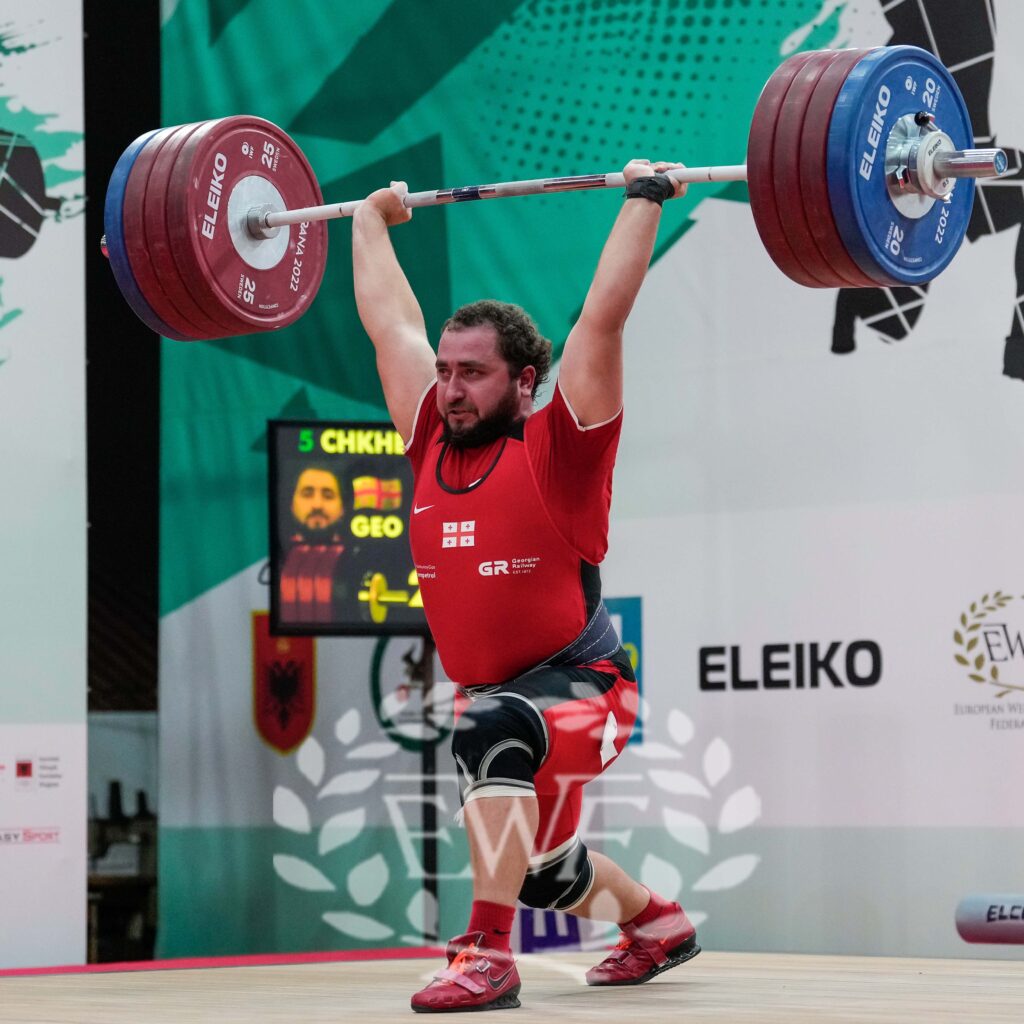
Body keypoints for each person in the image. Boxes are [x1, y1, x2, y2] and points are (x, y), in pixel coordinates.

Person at [353, 160, 699, 1013]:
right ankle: (657, 924)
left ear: (524, 381)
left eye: (473, 372)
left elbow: (601, 321)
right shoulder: (429, 435)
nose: (450, 388)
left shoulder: (561, 450)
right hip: (507, 702)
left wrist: (645, 199)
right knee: (543, 872)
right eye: (445, 370)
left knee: (490, 725)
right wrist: (367, 220)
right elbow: (390, 323)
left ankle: (485, 957)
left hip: (592, 692)